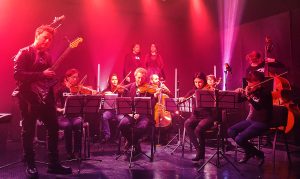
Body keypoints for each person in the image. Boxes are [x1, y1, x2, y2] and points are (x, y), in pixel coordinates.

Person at [12, 25, 72, 177]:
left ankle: (54, 164)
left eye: (50, 39)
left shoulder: (48, 56)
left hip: (45, 97)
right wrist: (41, 74)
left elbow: (46, 78)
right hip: (27, 97)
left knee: (53, 127)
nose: (47, 41)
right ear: (37, 35)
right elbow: (18, 75)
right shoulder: (24, 52)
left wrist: (50, 82)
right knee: (28, 131)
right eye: (45, 37)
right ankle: (30, 165)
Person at [227, 71, 273, 166]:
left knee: (240, 139)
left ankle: (259, 154)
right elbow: (239, 100)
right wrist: (238, 93)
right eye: (247, 82)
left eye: (250, 82)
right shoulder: (253, 91)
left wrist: (249, 97)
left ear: (258, 81)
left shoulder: (266, 93)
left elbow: (258, 107)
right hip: (252, 120)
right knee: (231, 131)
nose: (248, 84)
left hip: (263, 122)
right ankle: (249, 152)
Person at [119, 67, 154, 155]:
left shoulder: (149, 89)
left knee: (142, 127)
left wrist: (156, 96)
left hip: (143, 115)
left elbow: (152, 105)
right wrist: (130, 113)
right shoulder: (128, 87)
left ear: (145, 78)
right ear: (135, 77)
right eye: (138, 77)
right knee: (122, 125)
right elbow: (123, 104)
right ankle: (135, 143)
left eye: (142, 78)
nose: (140, 79)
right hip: (131, 114)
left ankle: (130, 142)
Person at [183, 72, 214, 161]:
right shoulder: (193, 91)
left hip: (207, 116)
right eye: (195, 82)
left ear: (204, 81)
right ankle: (198, 149)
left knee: (198, 129)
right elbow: (185, 99)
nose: (197, 84)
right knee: (187, 123)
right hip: (196, 116)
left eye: (200, 82)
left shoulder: (208, 90)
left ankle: (201, 152)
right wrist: (182, 98)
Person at [55, 68, 82, 159]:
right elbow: (52, 104)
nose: (76, 79)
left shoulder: (78, 89)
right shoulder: (61, 89)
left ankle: (77, 151)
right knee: (67, 126)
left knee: (78, 123)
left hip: (75, 116)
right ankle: (69, 151)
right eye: (73, 77)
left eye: (77, 77)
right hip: (63, 116)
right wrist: (59, 109)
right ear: (67, 78)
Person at [100, 73, 126, 143]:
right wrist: (104, 95)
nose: (114, 81)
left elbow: (125, 101)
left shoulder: (120, 90)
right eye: (113, 79)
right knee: (104, 116)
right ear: (110, 81)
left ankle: (118, 137)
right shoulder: (106, 90)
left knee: (122, 119)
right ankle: (107, 135)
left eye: (116, 79)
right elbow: (101, 98)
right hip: (110, 111)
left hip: (118, 111)